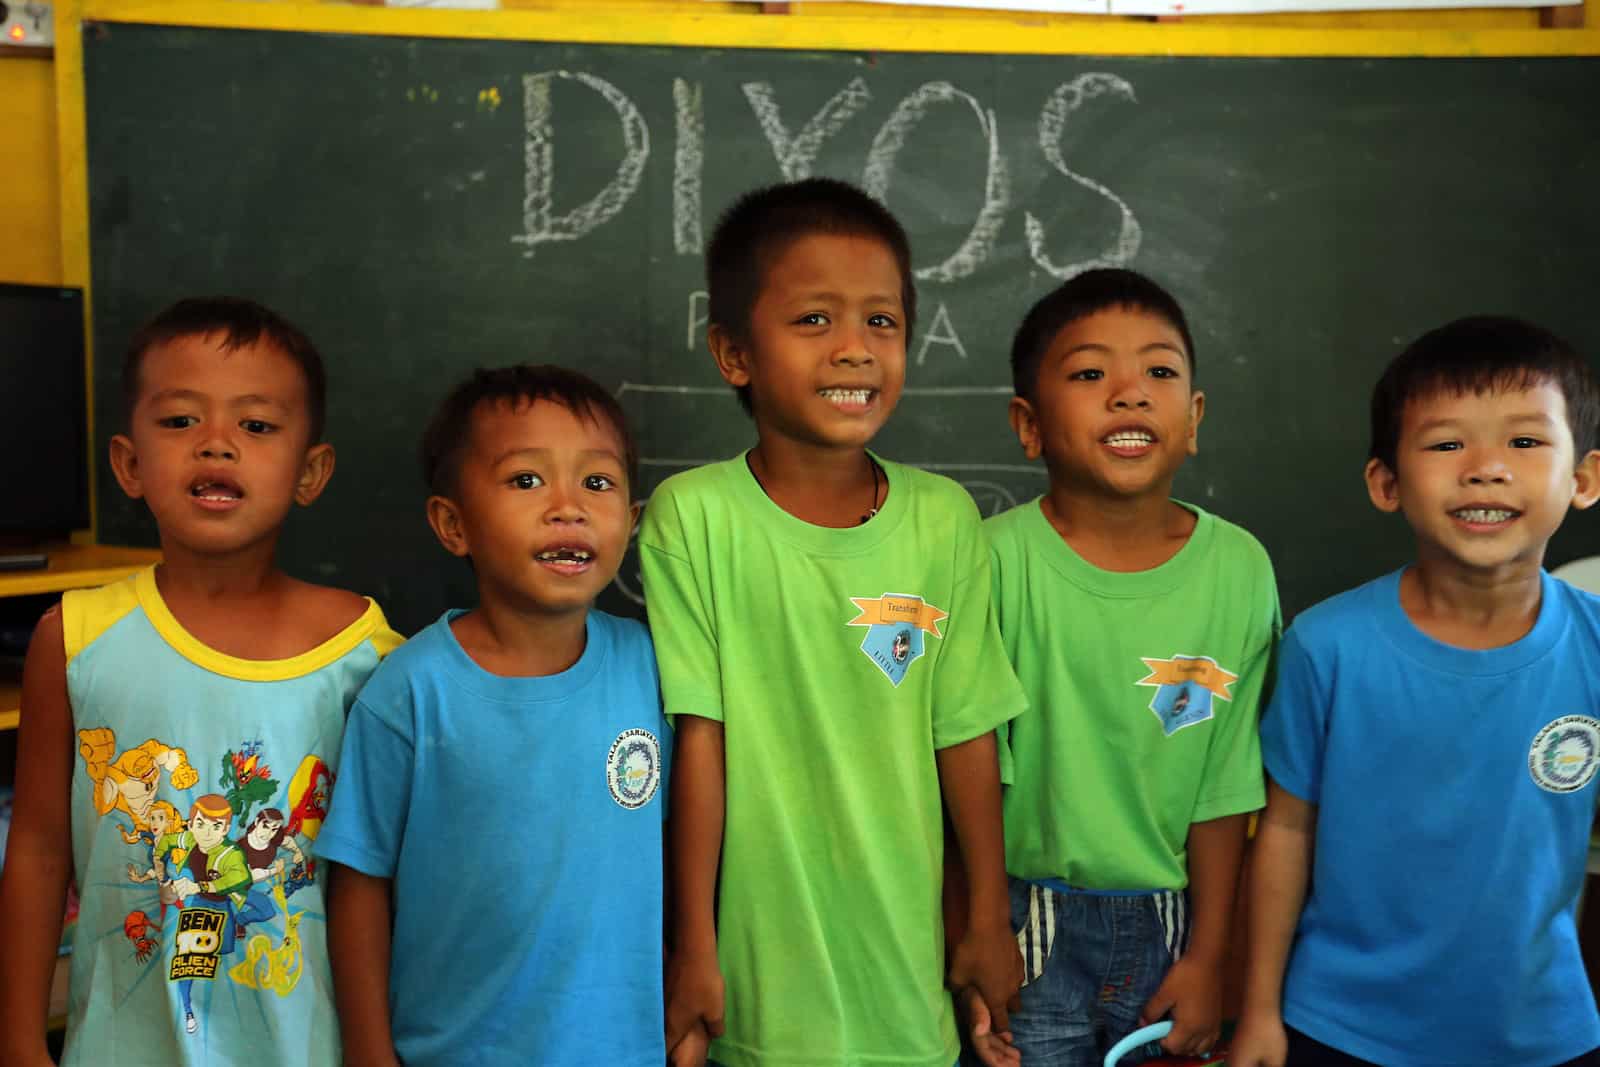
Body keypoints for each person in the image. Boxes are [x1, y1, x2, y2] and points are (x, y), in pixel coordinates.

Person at [641, 177, 1027, 1067]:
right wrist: (693, 946)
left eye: (881, 322)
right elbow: (700, 737)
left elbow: (965, 730)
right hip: (760, 980)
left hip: (906, 978)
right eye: (814, 320)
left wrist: (985, 916)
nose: (855, 350)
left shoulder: (943, 520)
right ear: (734, 353)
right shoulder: (694, 518)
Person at [0, 297, 401, 1064]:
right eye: (181, 421)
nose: (216, 445)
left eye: (255, 426)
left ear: (311, 470)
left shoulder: (368, 653)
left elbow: (390, 874)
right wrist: (20, 1039)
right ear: (128, 464)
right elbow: (41, 850)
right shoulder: (74, 639)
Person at [1231, 316, 1600, 1067]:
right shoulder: (1326, 646)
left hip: (1543, 1033)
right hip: (1340, 1028)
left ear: (1585, 478)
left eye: (1525, 442)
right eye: (1446, 443)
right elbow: (1285, 832)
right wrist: (1259, 1010)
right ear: (1386, 482)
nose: (1486, 468)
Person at [317, 365, 670, 1067]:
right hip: (455, 1049)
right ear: (454, 524)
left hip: (626, 1047)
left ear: (630, 523)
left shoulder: (653, 671)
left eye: (596, 483)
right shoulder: (412, 691)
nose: (568, 507)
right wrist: (367, 1047)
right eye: (526, 480)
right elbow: (359, 881)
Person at [984, 268, 1279, 1065]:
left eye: (1160, 371)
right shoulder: (991, 562)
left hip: (1173, 927)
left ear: (1194, 418)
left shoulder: (1239, 568)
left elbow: (1226, 783)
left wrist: (1210, 955)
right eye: (1089, 373)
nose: (1130, 393)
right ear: (1029, 423)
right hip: (1024, 925)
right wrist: (972, 927)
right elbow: (964, 774)